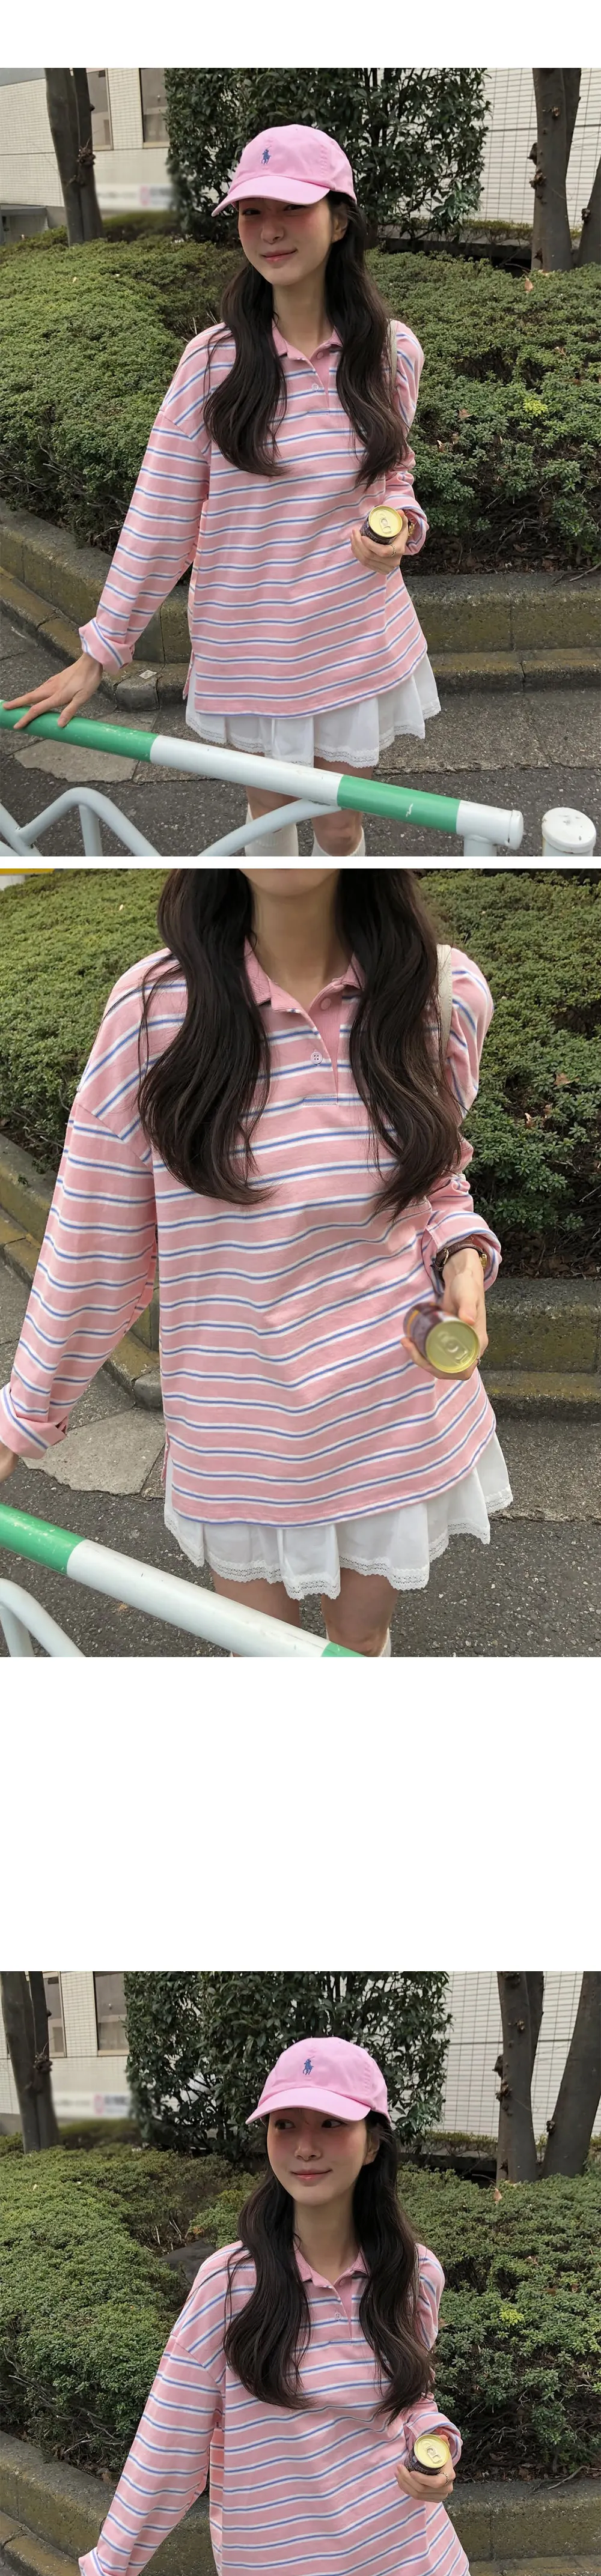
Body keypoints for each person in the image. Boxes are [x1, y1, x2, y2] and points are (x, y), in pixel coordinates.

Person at [0, 867, 512, 1657]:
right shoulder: (152, 1014)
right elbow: (93, 1236)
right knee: (264, 1659)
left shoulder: (439, 994)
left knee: (358, 1646)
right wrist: (21, 1418)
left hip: (394, 1410)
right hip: (237, 1432)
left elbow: (435, 1179)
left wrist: (463, 1254)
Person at [0, 2037, 484, 2576]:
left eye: (331, 2123)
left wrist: (435, 2446)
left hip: (394, 2567)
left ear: (374, 2140)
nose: (305, 2146)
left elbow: (412, 2399)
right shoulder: (230, 2285)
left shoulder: (414, 2273)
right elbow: (169, 2442)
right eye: (285, 2124)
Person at [7, 122, 441, 863]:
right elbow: (161, 513)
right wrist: (100, 650)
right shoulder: (212, 365)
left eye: (292, 209)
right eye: (251, 212)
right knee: (267, 827)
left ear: (339, 220)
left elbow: (392, 472)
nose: (269, 231)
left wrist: (400, 523)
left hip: (354, 638)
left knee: (340, 829)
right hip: (250, 651)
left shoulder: (391, 352)